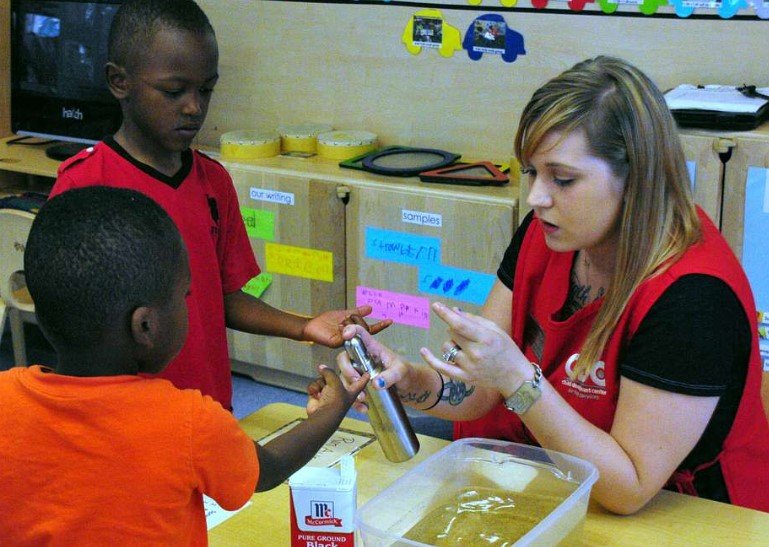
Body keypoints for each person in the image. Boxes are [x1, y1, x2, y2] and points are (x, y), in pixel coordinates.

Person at [339, 56, 769, 515]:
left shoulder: (694, 300)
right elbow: (481, 391)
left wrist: (518, 379)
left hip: (677, 510)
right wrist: (410, 381)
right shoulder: (547, 232)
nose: (537, 197)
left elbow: (628, 488)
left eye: (562, 179)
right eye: (531, 172)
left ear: (636, 179)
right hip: (540, 466)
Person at [49, 0, 389, 411]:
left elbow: (222, 297)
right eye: (174, 91)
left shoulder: (214, 181)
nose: (194, 107)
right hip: (124, 420)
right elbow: (70, 327)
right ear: (119, 81)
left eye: (205, 89)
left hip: (210, 411)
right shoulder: (84, 184)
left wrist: (304, 326)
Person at [0, 186, 369, 544]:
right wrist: (331, 411)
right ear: (145, 326)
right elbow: (265, 470)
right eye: (185, 295)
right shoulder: (188, 421)